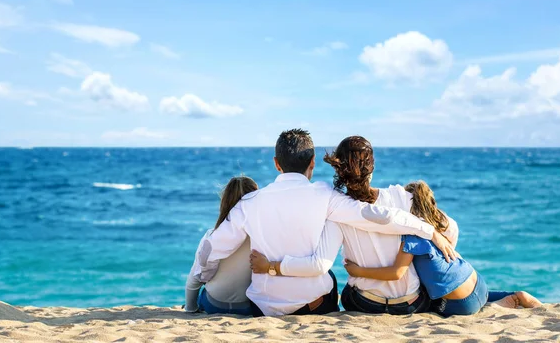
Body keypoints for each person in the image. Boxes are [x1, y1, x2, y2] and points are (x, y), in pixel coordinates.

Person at [195, 129, 456, 317]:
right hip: (314, 306)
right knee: (327, 277)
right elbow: (378, 217)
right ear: (312, 164)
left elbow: (212, 248)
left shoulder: (250, 202)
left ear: (276, 164)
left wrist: (199, 279)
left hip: (265, 308)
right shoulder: (324, 196)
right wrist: (429, 231)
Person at [342, 180, 542, 317]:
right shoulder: (443, 225)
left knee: (430, 304)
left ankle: (495, 307)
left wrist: (357, 271)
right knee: (474, 294)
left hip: (462, 303)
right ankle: (513, 295)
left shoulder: (414, 234)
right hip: (477, 281)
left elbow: (397, 272)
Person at [184, 176, 258, 315]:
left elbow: (193, 281)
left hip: (214, 305)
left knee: (205, 294)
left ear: (226, 201)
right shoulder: (262, 239)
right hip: (248, 306)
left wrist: (191, 308)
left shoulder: (213, 237)